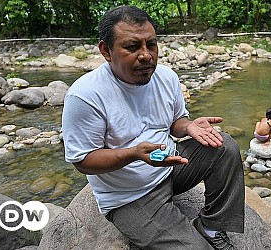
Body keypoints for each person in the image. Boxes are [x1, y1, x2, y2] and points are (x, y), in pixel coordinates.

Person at [61, 6, 244, 250]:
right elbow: (82, 160)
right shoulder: (85, 96)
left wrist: (189, 127)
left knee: (224, 145)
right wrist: (134, 154)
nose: (146, 55)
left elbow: (175, 122)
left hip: (170, 167)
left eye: (151, 44)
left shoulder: (166, 77)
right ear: (106, 50)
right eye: (132, 47)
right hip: (129, 196)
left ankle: (211, 227)